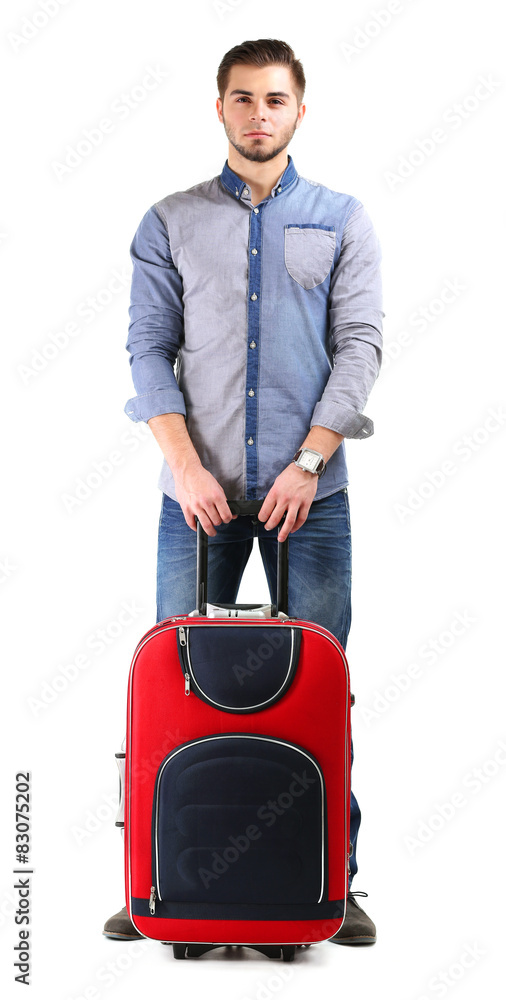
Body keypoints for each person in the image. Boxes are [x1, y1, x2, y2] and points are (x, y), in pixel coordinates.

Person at [103, 38, 383, 947]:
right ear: (218, 109)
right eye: (241, 98)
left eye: (274, 99)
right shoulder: (169, 221)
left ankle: (330, 875)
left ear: (301, 111)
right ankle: (153, 870)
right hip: (200, 492)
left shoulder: (343, 219)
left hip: (315, 495)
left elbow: (360, 348)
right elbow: (148, 350)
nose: (258, 113)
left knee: (320, 685)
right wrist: (185, 467)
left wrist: (308, 461)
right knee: (172, 680)